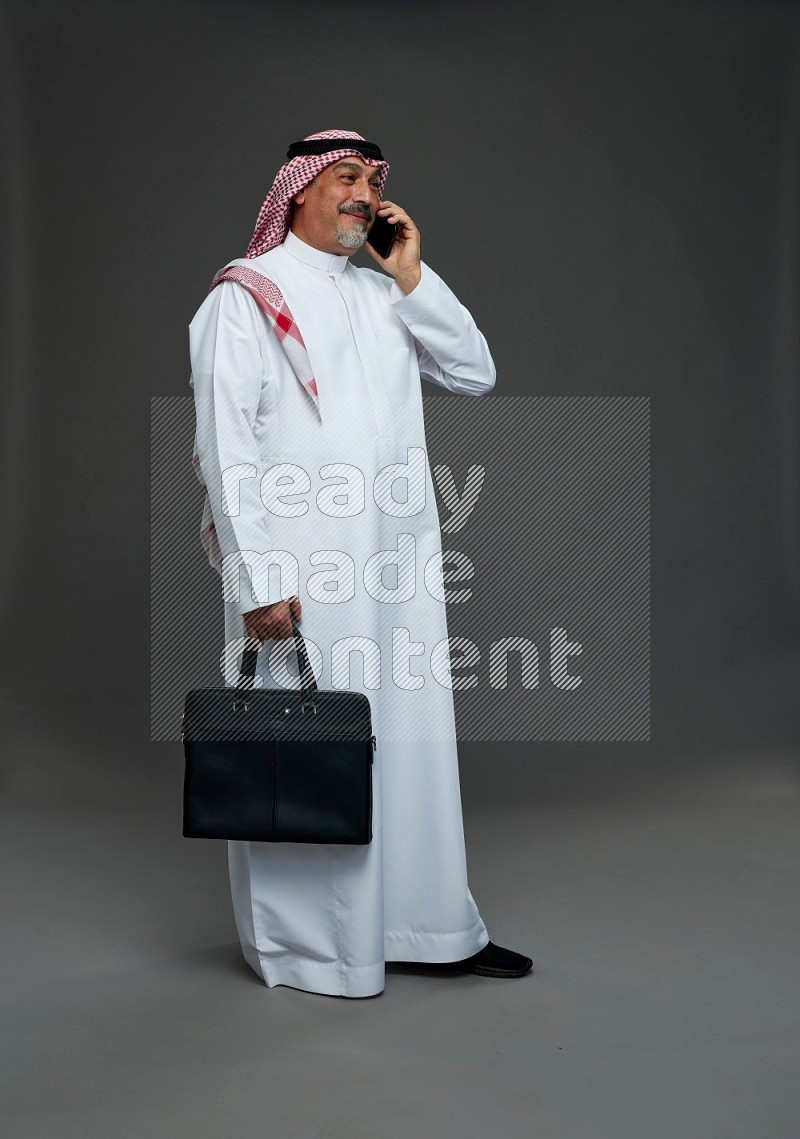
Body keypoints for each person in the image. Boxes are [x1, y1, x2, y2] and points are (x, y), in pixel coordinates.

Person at [188, 128, 533, 997]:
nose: (365, 195)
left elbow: (475, 372)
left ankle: (427, 929)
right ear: (296, 190)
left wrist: (411, 273)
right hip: (307, 573)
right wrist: (258, 583)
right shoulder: (247, 296)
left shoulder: (386, 295)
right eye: (346, 178)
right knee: (311, 747)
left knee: (408, 745)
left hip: (398, 565)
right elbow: (226, 449)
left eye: (373, 182)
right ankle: (317, 952)